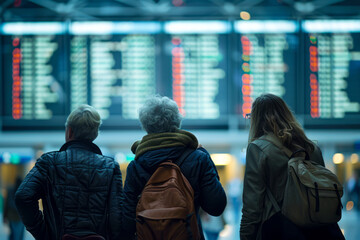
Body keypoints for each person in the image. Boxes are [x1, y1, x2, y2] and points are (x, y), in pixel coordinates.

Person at [240, 93, 344, 240]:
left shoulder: (258, 149)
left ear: (256, 119)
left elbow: (252, 207)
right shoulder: (312, 147)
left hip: (279, 230)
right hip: (319, 228)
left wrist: (245, 236)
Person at [122, 95, 227, 239]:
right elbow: (216, 206)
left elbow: (126, 221)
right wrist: (205, 155)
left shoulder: (136, 166)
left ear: (146, 125)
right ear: (177, 121)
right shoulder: (198, 158)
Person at [15, 105, 123, 240]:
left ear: (69, 131)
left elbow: (22, 197)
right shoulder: (110, 167)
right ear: (95, 134)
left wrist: (43, 234)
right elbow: (117, 217)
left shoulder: (49, 162)